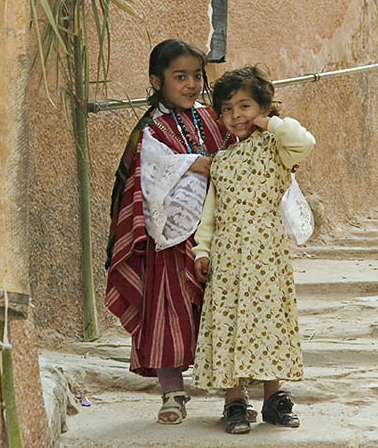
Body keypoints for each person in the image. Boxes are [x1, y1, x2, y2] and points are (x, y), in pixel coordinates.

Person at [105, 39, 234, 425]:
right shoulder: (150, 129)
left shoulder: (211, 118)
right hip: (168, 238)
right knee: (169, 312)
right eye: (180, 77)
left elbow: (235, 150)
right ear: (156, 80)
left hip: (215, 232)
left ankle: (234, 392)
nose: (192, 84)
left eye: (197, 76)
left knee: (221, 307)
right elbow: (151, 171)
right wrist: (196, 163)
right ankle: (172, 392)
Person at [191, 65, 315, 434]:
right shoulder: (223, 161)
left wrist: (270, 123)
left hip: (266, 253)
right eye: (227, 109)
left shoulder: (278, 148)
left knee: (268, 322)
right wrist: (202, 250)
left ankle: (274, 399)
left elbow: (305, 141)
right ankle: (234, 401)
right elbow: (211, 213)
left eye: (244, 106)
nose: (235, 116)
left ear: (262, 107)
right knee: (229, 321)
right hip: (228, 255)